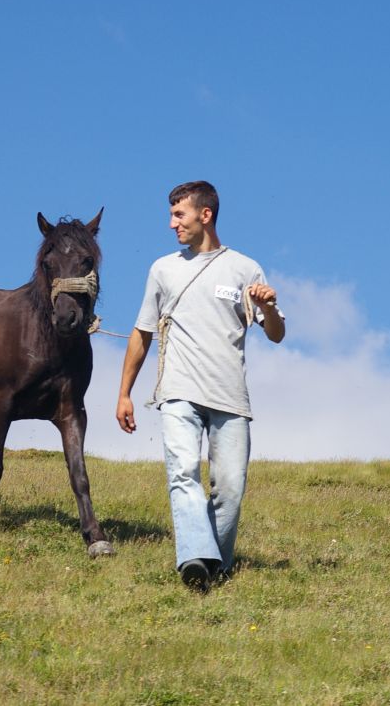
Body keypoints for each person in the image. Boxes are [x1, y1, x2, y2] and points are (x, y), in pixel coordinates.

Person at [116, 180, 285, 593]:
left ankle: (216, 568)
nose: (172, 223)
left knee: (229, 488)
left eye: (179, 215)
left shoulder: (245, 269)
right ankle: (194, 558)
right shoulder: (162, 269)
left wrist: (267, 306)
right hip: (177, 390)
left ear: (204, 215)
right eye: (171, 215)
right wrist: (124, 393)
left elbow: (277, 334)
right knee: (183, 472)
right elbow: (141, 334)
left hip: (230, 396)